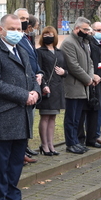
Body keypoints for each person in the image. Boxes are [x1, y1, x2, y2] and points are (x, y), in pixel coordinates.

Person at [0, 14, 40, 200]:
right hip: (4, 117)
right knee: (2, 165)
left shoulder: (23, 51)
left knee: (16, 164)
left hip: (23, 117)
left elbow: (32, 77)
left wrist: (35, 93)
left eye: (19, 28)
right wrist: (23, 95)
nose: (17, 32)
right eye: (12, 28)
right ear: (1, 30)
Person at [61, 18, 96, 154]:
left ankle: (76, 141)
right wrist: (88, 79)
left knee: (77, 118)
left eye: (88, 29)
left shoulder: (84, 43)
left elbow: (90, 63)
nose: (88, 32)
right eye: (86, 29)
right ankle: (70, 143)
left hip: (83, 86)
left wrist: (91, 77)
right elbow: (73, 65)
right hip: (73, 86)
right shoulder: (69, 43)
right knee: (71, 117)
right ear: (77, 29)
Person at [13, 8, 42, 163]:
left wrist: (40, 73)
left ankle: (25, 147)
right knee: (22, 119)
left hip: (32, 82)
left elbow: (33, 60)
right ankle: (21, 151)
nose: (25, 21)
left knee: (29, 118)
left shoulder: (27, 38)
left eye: (25, 18)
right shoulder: (16, 39)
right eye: (21, 18)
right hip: (21, 86)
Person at [35, 26, 66, 155]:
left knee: (53, 117)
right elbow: (38, 70)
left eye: (51, 33)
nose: (49, 36)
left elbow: (66, 69)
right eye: (46, 34)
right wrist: (43, 85)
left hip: (58, 88)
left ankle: (51, 144)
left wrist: (64, 72)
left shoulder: (59, 52)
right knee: (45, 116)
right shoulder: (39, 52)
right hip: (46, 88)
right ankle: (44, 145)